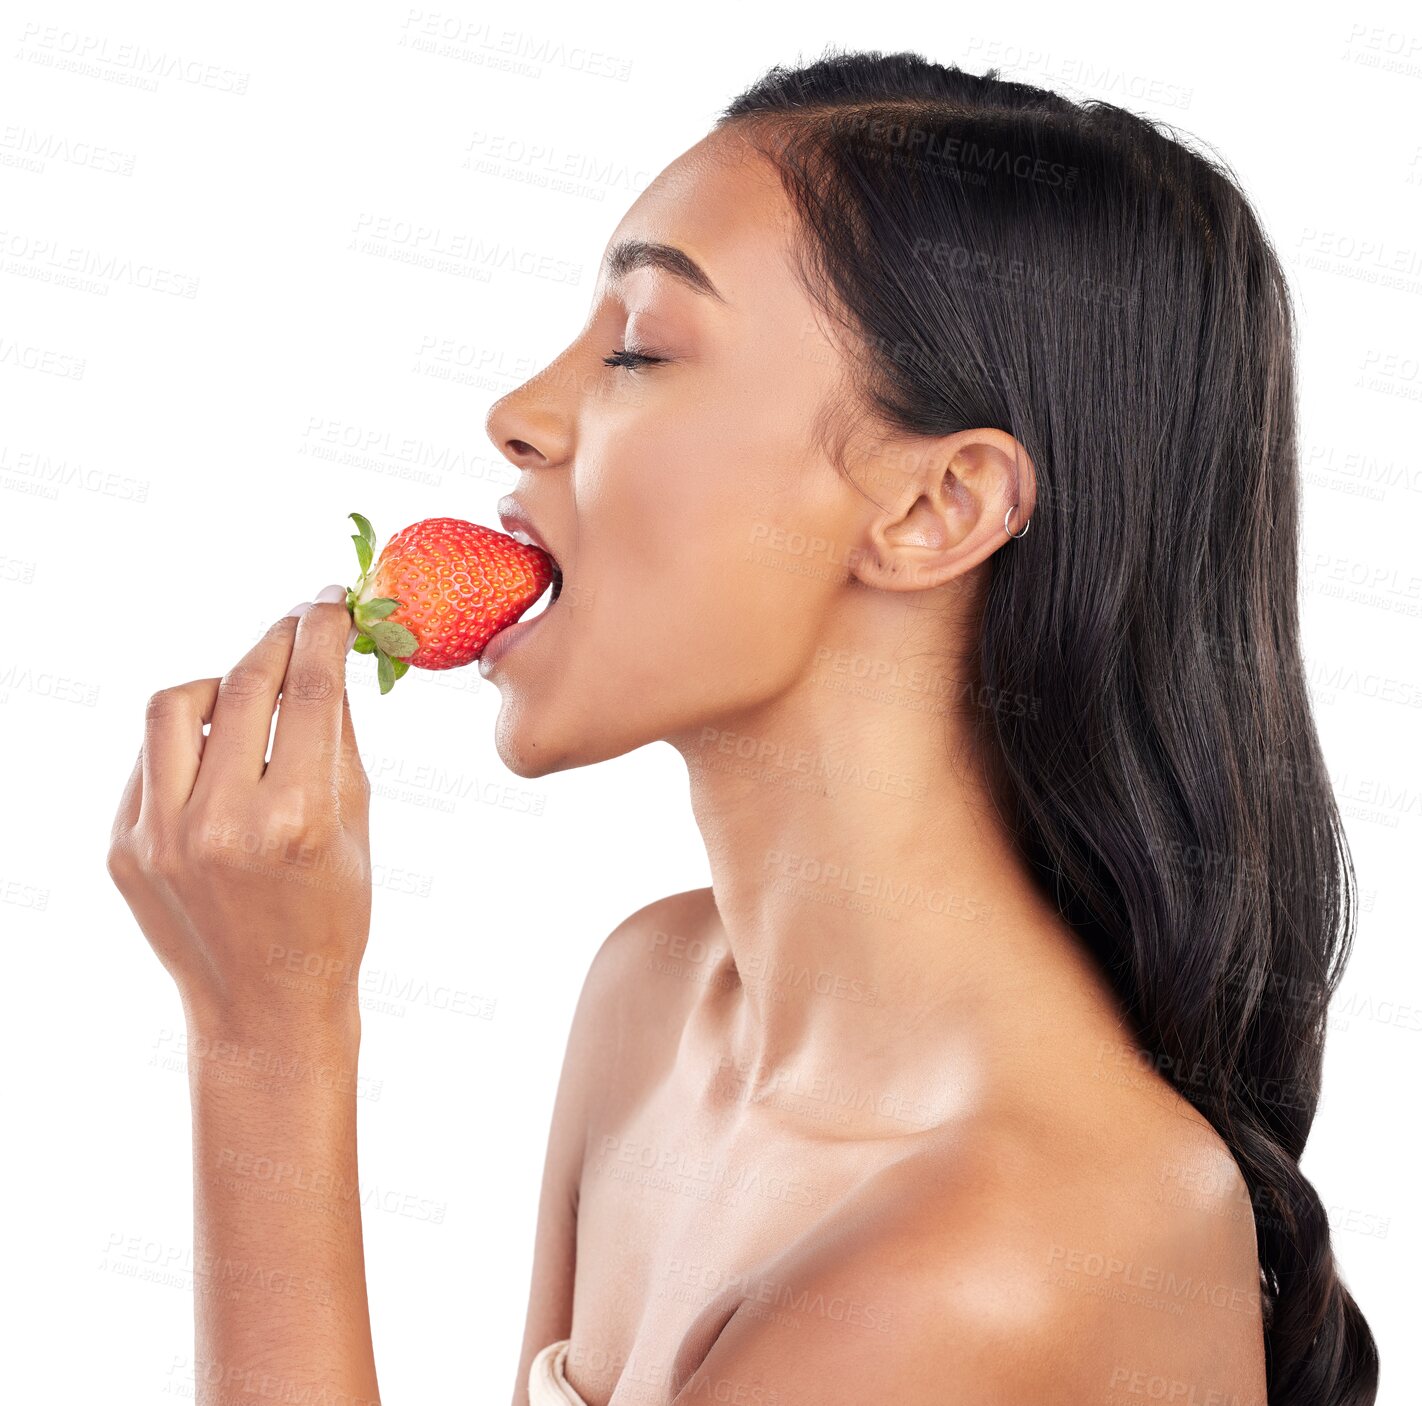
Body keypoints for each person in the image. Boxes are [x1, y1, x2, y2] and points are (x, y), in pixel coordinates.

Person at [107, 47, 1378, 1406]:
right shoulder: (652, 997)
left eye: (641, 346)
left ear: (932, 508)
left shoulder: (1004, 1247)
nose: (519, 416)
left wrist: (266, 1039)